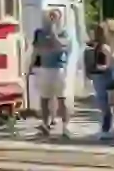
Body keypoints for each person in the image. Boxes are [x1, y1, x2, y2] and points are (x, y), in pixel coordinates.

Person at [29, 7, 73, 138]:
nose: (52, 18)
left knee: (61, 98)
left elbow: (62, 47)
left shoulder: (64, 33)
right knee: (44, 98)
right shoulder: (39, 33)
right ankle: (45, 124)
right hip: (44, 68)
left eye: (55, 16)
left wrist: (53, 34)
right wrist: (31, 65)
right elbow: (36, 51)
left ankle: (65, 127)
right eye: (50, 16)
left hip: (58, 69)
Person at [87, 23, 114, 139]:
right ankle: (107, 127)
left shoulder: (103, 47)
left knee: (104, 104)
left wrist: (102, 67)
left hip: (103, 76)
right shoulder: (99, 46)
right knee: (103, 104)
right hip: (100, 76)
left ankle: (107, 128)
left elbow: (110, 61)